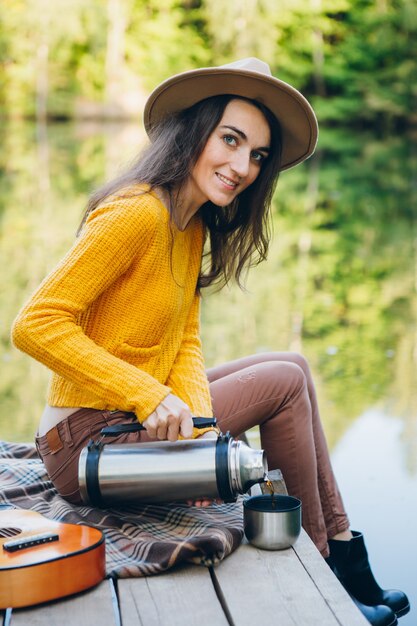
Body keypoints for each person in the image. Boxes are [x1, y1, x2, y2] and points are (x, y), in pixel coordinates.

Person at [11, 58, 408, 626]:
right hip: (86, 450)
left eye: (257, 155)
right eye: (231, 140)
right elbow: (35, 322)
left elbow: (186, 344)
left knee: (289, 361)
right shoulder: (137, 213)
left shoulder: (189, 224)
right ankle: (329, 574)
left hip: (125, 426)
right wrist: (148, 395)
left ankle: (345, 552)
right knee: (285, 382)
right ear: (194, 131)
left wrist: (196, 436)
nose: (242, 166)